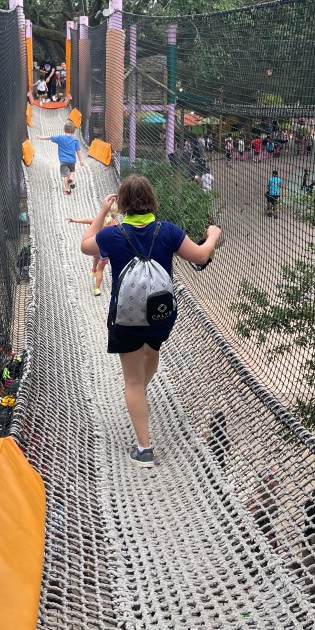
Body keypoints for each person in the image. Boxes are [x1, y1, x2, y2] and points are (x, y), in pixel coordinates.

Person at [80, 175, 221, 468]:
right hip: (159, 316)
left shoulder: (113, 235)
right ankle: (140, 395)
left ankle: (144, 448)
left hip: (126, 318)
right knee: (151, 352)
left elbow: (85, 246)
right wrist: (213, 234)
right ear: (151, 199)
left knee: (131, 380)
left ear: (124, 204)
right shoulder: (168, 231)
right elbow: (201, 255)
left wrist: (103, 212)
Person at [67, 202, 119, 296]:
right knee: (101, 269)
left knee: (95, 256)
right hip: (106, 251)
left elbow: (87, 220)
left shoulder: (98, 221)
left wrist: (74, 220)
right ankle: (97, 289)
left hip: (96, 246)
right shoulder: (116, 225)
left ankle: (93, 270)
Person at [37, 120, 84, 195]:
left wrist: (41, 137)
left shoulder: (60, 138)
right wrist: (81, 160)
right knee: (73, 171)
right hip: (72, 160)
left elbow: (50, 137)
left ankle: (67, 190)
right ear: (73, 131)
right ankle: (71, 178)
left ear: (64, 130)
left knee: (65, 176)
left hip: (63, 160)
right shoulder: (75, 140)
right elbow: (78, 150)